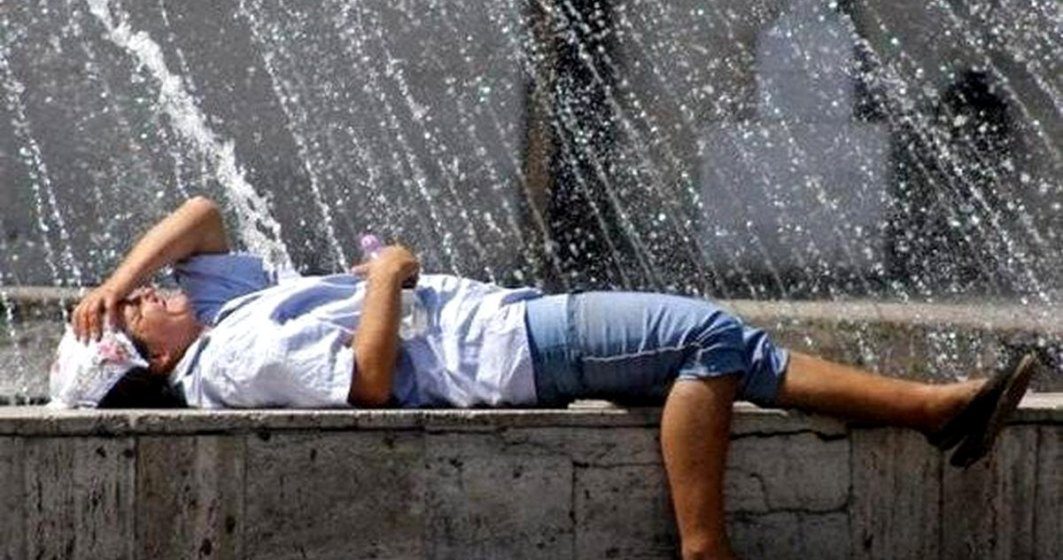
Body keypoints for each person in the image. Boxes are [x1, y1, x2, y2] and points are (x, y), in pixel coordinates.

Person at [53, 196, 1038, 560]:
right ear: (156, 360)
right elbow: (368, 384)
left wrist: (117, 281)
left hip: (502, 328)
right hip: (507, 349)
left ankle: (937, 408)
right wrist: (389, 275)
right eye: (138, 313)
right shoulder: (231, 358)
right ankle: (704, 546)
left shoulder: (214, 309)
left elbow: (199, 213)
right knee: (705, 335)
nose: (153, 293)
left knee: (742, 353)